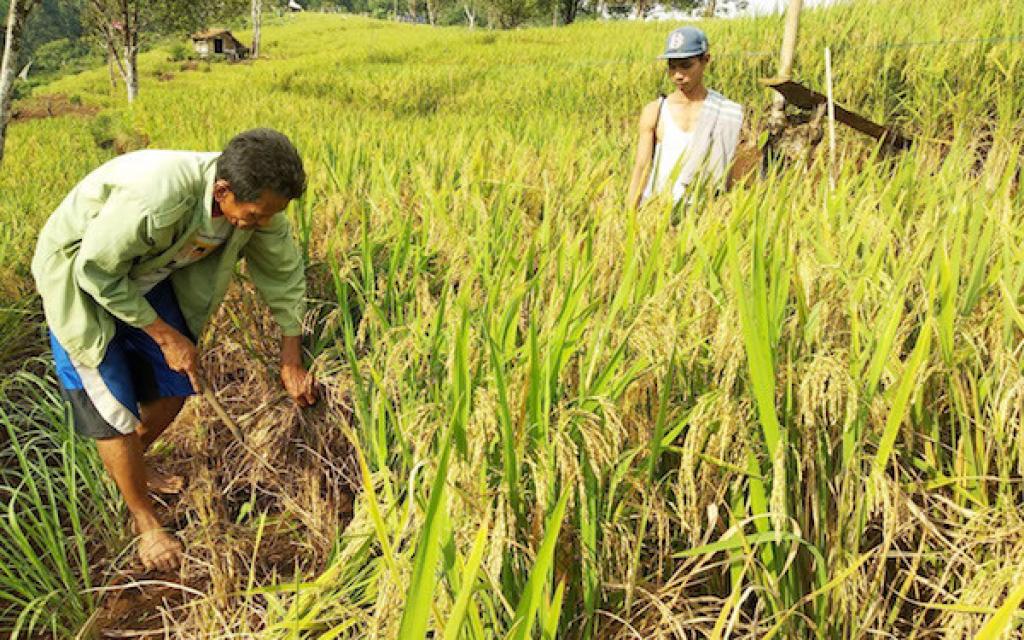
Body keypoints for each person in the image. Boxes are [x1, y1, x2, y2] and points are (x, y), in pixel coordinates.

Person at [31, 128, 317, 572]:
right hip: (83, 276)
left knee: (177, 384)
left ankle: (133, 466)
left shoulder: (258, 207)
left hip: (143, 276)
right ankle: (144, 519)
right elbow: (98, 271)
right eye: (255, 215)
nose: (261, 224)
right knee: (113, 409)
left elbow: (284, 277)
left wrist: (290, 361)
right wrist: (166, 336)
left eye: (269, 216)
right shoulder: (157, 197)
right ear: (222, 191)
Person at [627, 26, 744, 209]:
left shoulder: (726, 112)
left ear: (705, 60)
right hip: (658, 209)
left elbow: (734, 175)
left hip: (704, 211)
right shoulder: (656, 111)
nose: (678, 76)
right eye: (672, 67)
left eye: (686, 65)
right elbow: (641, 167)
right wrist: (630, 215)